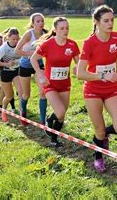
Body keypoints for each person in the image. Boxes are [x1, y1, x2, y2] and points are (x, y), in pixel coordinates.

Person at [77, 5, 117, 173]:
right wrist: (103, 76)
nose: (110, 24)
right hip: (92, 90)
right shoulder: (89, 43)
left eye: (112, 20)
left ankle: (99, 137)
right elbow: (80, 73)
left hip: (111, 88)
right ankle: (98, 157)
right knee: (99, 128)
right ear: (97, 23)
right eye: (106, 21)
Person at [31, 17, 80, 147]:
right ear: (55, 30)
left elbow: (78, 62)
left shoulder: (72, 44)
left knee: (62, 115)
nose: (65, 31)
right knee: (60, 112)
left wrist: (77, 67)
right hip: (50, 84)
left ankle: (54, 138)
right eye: (62, 28)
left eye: (67, 28)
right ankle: (48, 121)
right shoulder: (48, 44)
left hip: (65, 84)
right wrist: (40, 74)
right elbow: (33, 59)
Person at [15, 13, 48, 125]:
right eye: (38, 21)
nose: (41, 23)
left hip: (38, 65)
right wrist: (32, 53)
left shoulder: (46, 35)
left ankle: (43, 121)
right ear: (33, 23)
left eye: (42, 21)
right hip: (25, 65)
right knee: (26, 94)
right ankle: (23, 111)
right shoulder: (29, 34)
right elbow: (17, 50)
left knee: (43, 92)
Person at [0, 28, 23, 123]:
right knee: (9, 96)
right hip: (5, 72)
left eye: (17, 39)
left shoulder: (20, 44)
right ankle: (3, 110)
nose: (15, 41)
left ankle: (22, 114)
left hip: (16, 72)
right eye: (13, 39)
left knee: (21, 92)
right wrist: (7, 64)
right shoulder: (4, 48)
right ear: (8, 38)